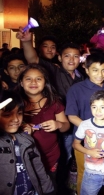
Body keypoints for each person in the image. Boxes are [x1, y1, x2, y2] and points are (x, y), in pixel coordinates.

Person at [65, 52, 104, 195]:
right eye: (95, 70)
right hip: (84, 140)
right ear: (86, 69)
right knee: (85, 173)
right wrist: (91, 129)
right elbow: (71, 115)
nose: (100, 74)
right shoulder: (76, 89)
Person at [16, 64, 70, 192]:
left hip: (50, 157)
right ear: (21, 83)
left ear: (45, 82)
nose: (33, 82)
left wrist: (58, 125)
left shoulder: (53, 102)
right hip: (22, 159)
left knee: (49, 187)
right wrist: (20, 128)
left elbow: (66, 126)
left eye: (39, 79)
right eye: (28, 79)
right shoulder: (14, 103)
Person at [0, 90, 55, 195]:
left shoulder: (27, 140)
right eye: (7, 115)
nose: (16, 119)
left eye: (19, 113)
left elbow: (38, 167)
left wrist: (48, 189)